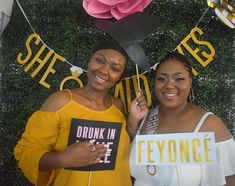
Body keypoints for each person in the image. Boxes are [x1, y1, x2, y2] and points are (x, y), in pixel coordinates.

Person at [14, 39, 148, 186]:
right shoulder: (61, 101)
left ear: (119, 77)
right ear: (89, 62)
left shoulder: (117, 106)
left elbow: (120, 152)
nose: (104, 71)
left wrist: (133, 121)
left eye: (115, 69)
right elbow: (25, 152)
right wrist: (63, 159)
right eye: (99, 60)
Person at [129, 51, 235, 186]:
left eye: (179, 78)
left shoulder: (210, 125)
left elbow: (230, 180)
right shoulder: (145, 118)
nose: (169, 85)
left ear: (190, 82)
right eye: (162, 78)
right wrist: (133, 122)